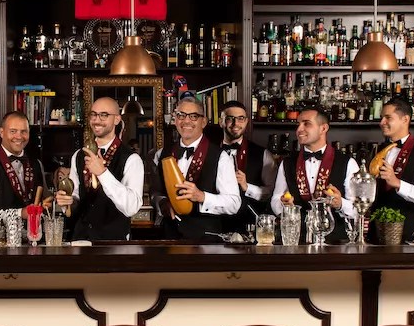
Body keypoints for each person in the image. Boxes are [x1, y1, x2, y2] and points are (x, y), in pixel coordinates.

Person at [55, 97, 143, 241]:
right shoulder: (78, 155)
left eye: (104, 115)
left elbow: (131, 207)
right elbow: (76, 196)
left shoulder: (132, 159)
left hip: (114, 243)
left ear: (116, 119)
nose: (97, 120)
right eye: (93, 114)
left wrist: (103, 173)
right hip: (80, 239)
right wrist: (67, 201)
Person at [152, 97, 240, 240]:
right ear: (175, 119)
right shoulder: (160, 154)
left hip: (206, 241)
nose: (186, 121)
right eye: (181, 115)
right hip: (169, 237)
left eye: (193, 116)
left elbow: (234, 203)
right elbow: (155, 192)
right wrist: (162, 203)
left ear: (203, 122)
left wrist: (202, 196)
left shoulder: (221, 156)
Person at [270, 106, 357, 243]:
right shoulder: (287, 162)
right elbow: (275, 200)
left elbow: (358, 210)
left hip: (335, 244)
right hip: (297, 240)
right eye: (298, 124)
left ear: (323, 128)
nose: (299, 129)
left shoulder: (347, 163)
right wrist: (283, 205)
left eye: (307, 124)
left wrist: (340, 203)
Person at [371, 97, 414, 241]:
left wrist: (398, 183)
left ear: (405, 119)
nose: (381, 122)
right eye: (381, 117)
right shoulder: (377, 150)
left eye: (388, 117)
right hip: (375, 236)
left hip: (410, 237)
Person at [217, 100, 275, 234]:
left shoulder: (262, 154)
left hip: (250, 226)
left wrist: (247, 187)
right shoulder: (209, 151)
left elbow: (272, 193)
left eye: (240, 119)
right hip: (214, 225)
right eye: (230, 118)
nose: (235, 124)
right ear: (221, 122)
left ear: (247, 121)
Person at [0, 111, 45, 218]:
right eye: (13, 131)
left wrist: (49, 203)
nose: (19, 136)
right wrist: (21, 213)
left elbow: (45, 200)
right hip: (2, 235)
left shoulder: (37, 164)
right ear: (2, 132)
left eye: (24, 131)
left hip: (35, 233)